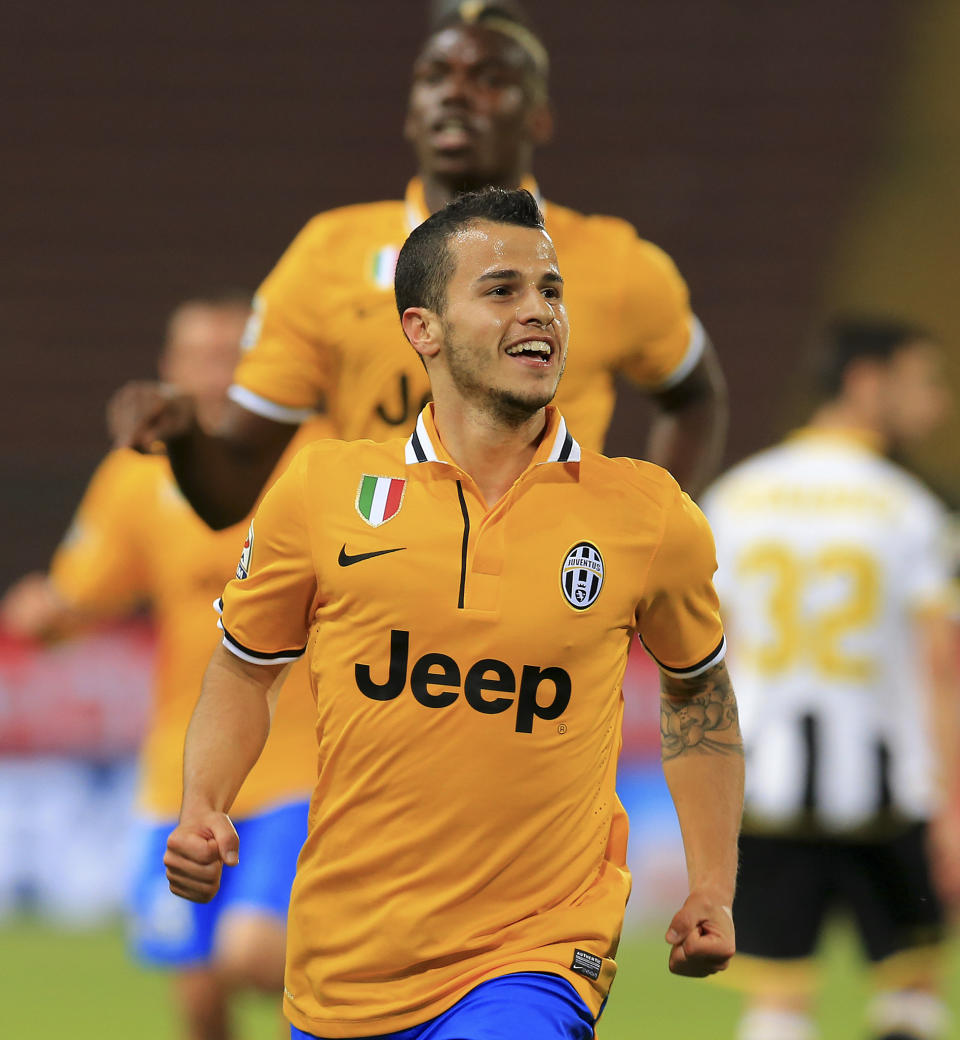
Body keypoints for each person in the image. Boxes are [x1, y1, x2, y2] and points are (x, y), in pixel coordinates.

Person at [163, 187, 743, 1040]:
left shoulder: (649, 514)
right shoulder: (324, 493)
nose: (538, 310)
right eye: (502, 290)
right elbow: (246, 665)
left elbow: (700, 695)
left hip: (538, 953)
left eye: (550, 290)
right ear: (422, 328)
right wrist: (204, 802)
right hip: (347, 959)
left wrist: (712, 883)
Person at [108, 0, 727, 531]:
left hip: (544, 622)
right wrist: (187, 433)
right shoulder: (328, 253)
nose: (455, 92)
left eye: (489, 77)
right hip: (381, 611)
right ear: (410, 111)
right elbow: (230, 494)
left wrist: (646, 527)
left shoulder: (615, 262)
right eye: (436, 75)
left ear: (539, 116)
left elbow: (695, 396)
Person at [1, 295, 324, 1040]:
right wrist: (46, 615)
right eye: (200, 358)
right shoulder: (138, 477)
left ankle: (388, 994)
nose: (217, 374)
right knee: (198, 993)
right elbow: (82, 592)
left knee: (256, 955)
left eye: (233, 356)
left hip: (299, 765)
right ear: (168, 372)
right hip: (180, 770)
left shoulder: (316, 458)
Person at [700, 317, 960, 1040]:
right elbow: (940, 664)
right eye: (923, 383)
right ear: (866, 382)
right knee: (912, 991)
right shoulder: (915, 507)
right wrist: (956, 808)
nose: (935, 404)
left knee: (778, 1005)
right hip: (892, 788)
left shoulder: (736, 497)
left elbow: (705, 659)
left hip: (767, 786)